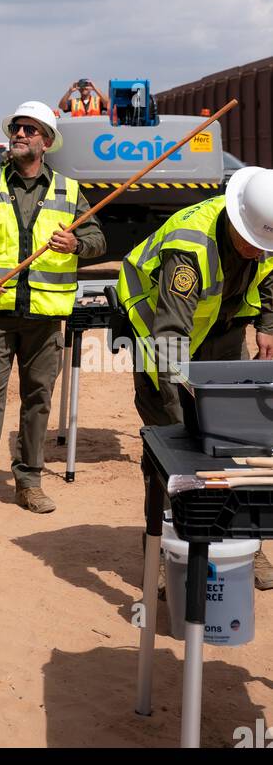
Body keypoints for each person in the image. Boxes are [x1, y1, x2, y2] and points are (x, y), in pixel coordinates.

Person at [116, 166, 273, 589]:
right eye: (252, 245)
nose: (259, 253)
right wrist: (191, 395)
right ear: (235, 221)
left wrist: (268, 327)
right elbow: (171, 335)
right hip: (161, 337)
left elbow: (271, 276)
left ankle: (245, 540)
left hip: (222, 331)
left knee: (238, 438)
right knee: (172, 445)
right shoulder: (190, 246)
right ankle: (167, 545)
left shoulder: (265, 229)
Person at [0, 100, 106, 521]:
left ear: (46, 142)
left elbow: (97, 240)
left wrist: (77, 245)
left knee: (37, 402)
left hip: (45, 320)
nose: (19, 134)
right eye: (16, 128)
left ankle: (29, 483)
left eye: (29, 129)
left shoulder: (70, 192)